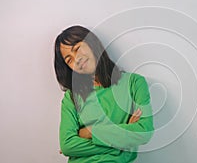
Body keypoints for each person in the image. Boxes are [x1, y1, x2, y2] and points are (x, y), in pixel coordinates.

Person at [54, 25, 154, 163]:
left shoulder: (134, 83)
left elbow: (144, 132)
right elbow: (67, 146)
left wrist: (89, 132)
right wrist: (122, 143)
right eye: (69, 60)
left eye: (77, 49)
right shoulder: (71, 98)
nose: (76, 59)